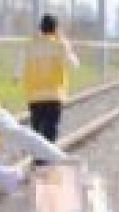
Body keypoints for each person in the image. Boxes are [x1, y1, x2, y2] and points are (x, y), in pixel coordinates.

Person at [15, 14, 80, 142]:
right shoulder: (59, 45)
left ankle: (38, 155)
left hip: (34, 95)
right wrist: (66, 45)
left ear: (41, 28)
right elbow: (74, 65)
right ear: (56, 29)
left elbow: (20, 63)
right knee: (50, 127)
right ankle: (48, 156)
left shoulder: (31, 45)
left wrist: (16, 77)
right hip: (53, 94)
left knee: (36, 127)